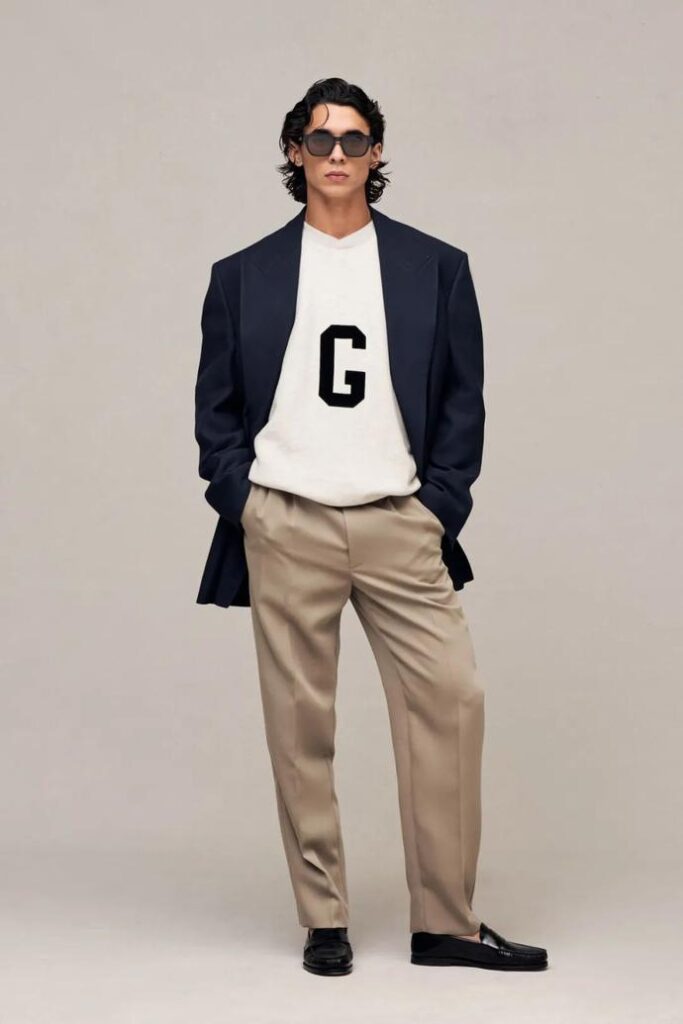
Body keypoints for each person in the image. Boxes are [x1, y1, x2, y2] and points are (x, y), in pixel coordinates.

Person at [194, 77, 548, 975]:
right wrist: (247, 503)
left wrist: (439, 507)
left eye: (354, 140)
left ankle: (446, 923)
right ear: (294, 152)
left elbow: (463, 398)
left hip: (400, 522)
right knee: (299, 726)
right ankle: (324, 918)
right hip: (288, 519)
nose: (337, 155)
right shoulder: (242, 276)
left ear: (377, 153)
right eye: (320, 140)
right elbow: (217, 411)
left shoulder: (436, 266)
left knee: (451, 703)